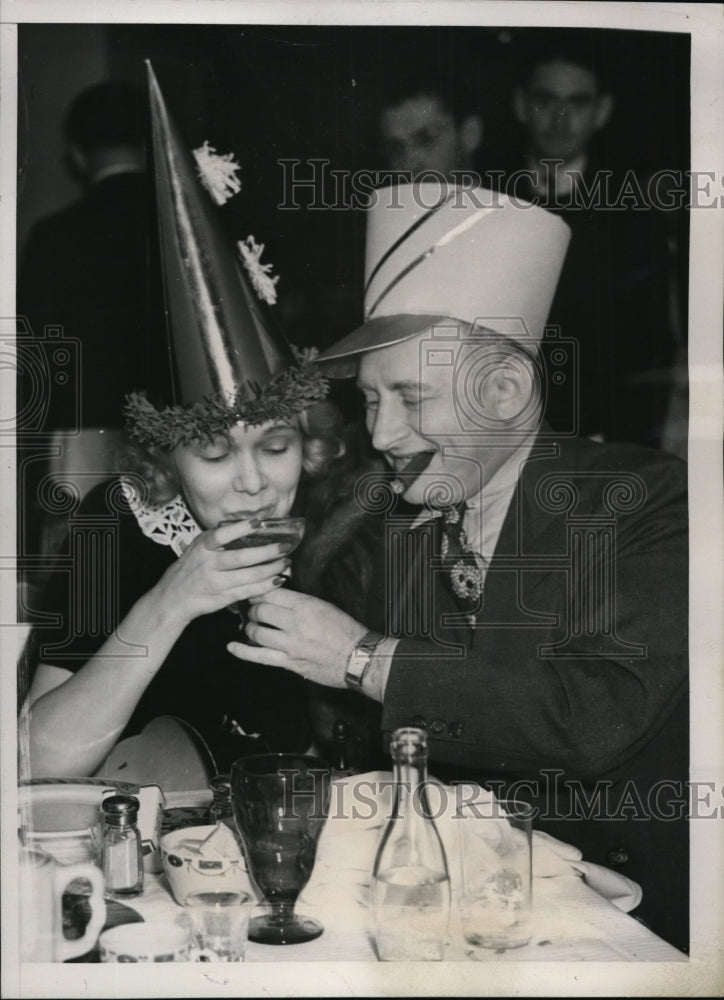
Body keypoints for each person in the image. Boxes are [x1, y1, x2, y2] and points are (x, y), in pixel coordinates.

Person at [231, 182, 689, 952]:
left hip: (645, 919)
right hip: (485, 909)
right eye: (371, 401)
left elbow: (593, 718)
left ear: (507, 391)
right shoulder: (407, 531)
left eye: (410, 397)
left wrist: (358, 658)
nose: (382, 433)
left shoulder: (640, 498)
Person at [20, 66, 343, 780]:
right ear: (168, 462)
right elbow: (39, 763)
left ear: (309, 446)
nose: (255, 482)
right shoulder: (117, 528)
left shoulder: (349, 525)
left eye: (277, 444)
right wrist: (171, 599)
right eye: (215, 452)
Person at [501, 36, 679, 448]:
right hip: (499, 434)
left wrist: (616, 447)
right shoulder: (490, 200)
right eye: (545, 100)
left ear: (602, 111)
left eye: (577, 103)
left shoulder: (632, 214)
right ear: (520, 105)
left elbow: (649, 351)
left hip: (598, 441)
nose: (560, 119)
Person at [17, 82, 155, 559]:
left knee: (84, 568)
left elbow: (33, 352)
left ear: (77, 155)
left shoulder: (55, 235)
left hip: (83, 434)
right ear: (145, 144)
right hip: (176, 429)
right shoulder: (175, 224)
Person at [377, 67, 483, 180]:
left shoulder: (501, 197)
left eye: (425, 140)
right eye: (396, 149)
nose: (408, 165)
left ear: (470, 135)